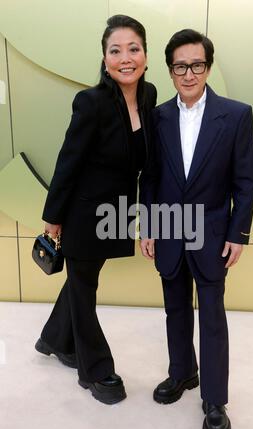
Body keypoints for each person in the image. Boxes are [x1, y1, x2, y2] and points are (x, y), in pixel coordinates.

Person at [140, 29, 253, 429]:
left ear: (207, 66)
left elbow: (245, 182)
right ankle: (181, 372)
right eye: (180, 66)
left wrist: (238, 233)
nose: (188, 74)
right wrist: (148, 226)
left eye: (197, 65)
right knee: (174, 308)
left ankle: (214, 399)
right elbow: (150, 177)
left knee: (212, 315)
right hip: (169, 230)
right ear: (170, 70)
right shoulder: (157, 118)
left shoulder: (237, 115)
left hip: (211, 233)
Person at [35, 14, 157, 405]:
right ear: (104, 59)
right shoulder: (90, 102)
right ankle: (94, 370)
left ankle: (54, 339)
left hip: (119, 211)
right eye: (115, 50)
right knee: (86, 286)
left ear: (145, 55)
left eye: (133, 49)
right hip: (85, 213)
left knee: (81, 280)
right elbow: (68, 160)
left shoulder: (150, 94)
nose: (126, 58)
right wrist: (54, 217)